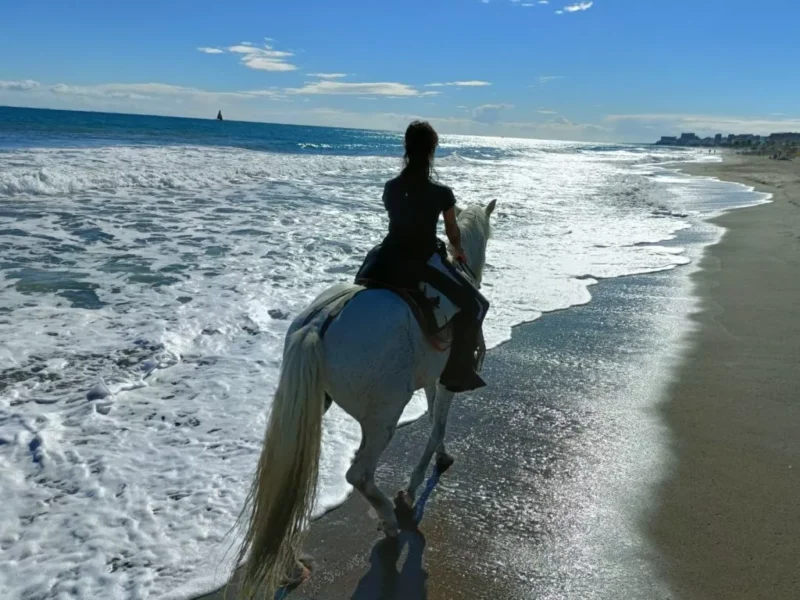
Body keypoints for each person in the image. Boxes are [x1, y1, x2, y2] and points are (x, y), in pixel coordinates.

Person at [356, 120, 487, 392]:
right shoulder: (442, 193)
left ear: (406, 148)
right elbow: (452, 230)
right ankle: (458, 372)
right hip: (422, 261)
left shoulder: (390, 187)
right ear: (432, 151)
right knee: (475, 306)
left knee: (357, 286)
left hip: (387, 256)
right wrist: (459, 251)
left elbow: (398, 216)